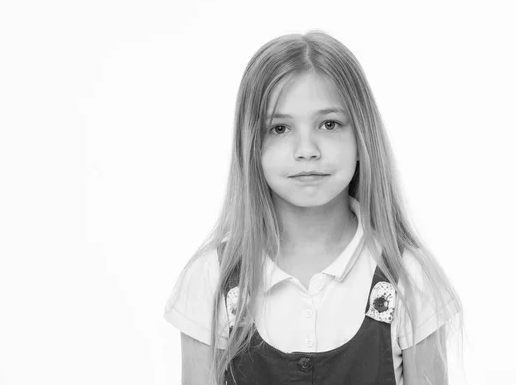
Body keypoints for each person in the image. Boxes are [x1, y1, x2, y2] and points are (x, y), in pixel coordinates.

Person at [164, 30, 464, 385]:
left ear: (361, 136)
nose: (306, 149)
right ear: (250, 145)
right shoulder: (213, 280)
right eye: (279, 128)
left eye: (329, 124)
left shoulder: (408, 279)